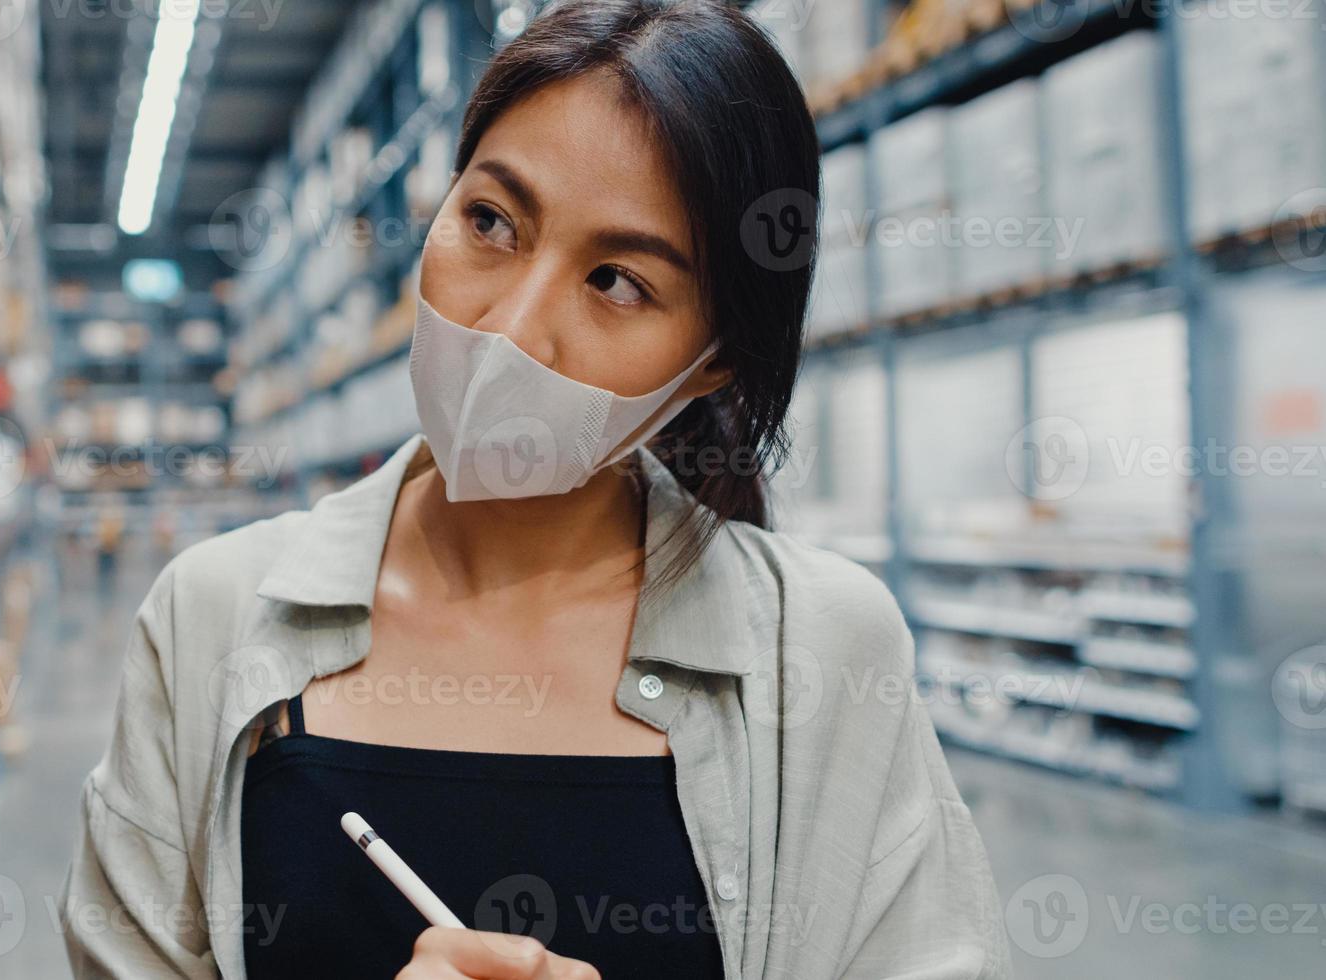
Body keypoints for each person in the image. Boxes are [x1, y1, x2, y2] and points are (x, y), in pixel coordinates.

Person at [61, 1, 1010, 977]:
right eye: (489, 221)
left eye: (615, 280)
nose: (511, 326)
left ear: (713, 362)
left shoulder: (820, 650)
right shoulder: (208, 619)